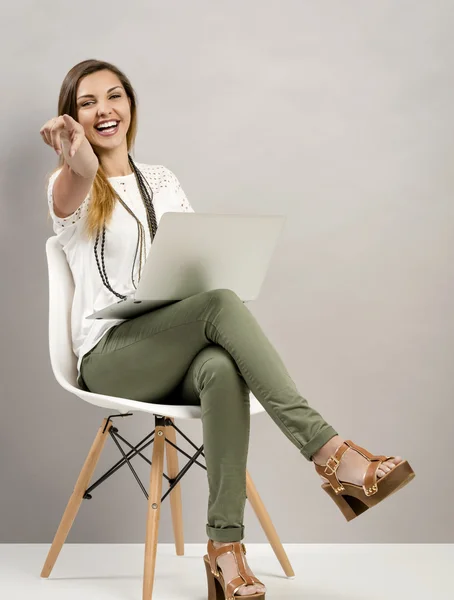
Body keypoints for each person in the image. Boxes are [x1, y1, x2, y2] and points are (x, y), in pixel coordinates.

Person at [41, 59, 415, 599]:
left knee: (219, 365)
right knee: (218, 304)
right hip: (110, 358)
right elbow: (73, 185)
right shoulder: (68, 181)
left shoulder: (163, 181)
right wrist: (75, 157)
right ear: (72, 117)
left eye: (114, 96)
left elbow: (198, 266)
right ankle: (333, 455)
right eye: (87, 102)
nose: (104, 110)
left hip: (170, 343)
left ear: (131, 105)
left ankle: (224, 552)